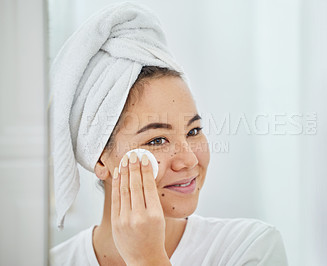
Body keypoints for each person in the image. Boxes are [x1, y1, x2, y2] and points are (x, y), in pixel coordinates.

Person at [49, 2, 288, 266]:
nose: (188, 160)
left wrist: (147, 259)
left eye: (193, 131)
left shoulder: (249, 248)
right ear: (101, 160)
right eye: (157, 140)